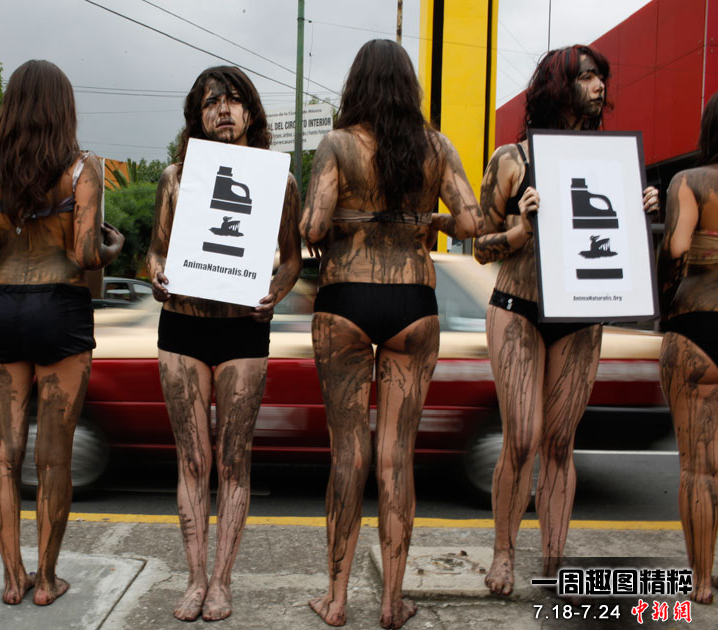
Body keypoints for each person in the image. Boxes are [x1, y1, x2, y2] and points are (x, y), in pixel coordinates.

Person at [300, 39, 482, 629]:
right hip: (412, 300)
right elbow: (471, 222)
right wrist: (427, 218)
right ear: (409, 87)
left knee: (347, 455)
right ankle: (391, 602)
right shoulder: (436, 146)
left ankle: (336, 600)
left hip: (345, 298)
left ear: (357, 85)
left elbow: (313, 225)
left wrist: (340, 217)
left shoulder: (337, 145)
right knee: (396, 457)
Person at [475, 45, 659, 596]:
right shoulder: (511, 159)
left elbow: (621, 248)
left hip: (580, 316)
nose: (600, 86)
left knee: (559, 443)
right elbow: (479, 246)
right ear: (558, 86)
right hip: (518, 308)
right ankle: (504, 552)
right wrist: (519, 228)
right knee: (521, 438)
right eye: (587, 76)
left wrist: (641, 210)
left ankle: (553, 563)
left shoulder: (610, 163)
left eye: (602, 76)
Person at [0, 60, 123, 606]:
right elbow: (85, 255)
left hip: (3, 309)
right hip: (61, 311)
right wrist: (113, 248)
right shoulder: (81, 169)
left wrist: (2, 238)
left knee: (2, 455)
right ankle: (47, 580)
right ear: (63, 108)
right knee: (53, 458)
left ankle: (13, 578)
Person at [147, 65, 302, 622]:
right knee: (193, 459)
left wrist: (276, 292)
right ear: (198, 115)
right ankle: (194, 578)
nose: (223, 110)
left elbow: (292, 258)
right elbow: (156, 250)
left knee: (234, 460)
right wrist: (156, 273)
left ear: (251, 112)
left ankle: (222, 582)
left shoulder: (278, 181)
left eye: (234, 100)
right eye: (212, 102)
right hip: (182, 326)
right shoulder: (176, 178)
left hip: (243, 328)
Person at [659, 90, 718, 604]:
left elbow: (677, 247)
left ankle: (700, 580)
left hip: (696, 325)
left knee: (698, 466)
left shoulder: (690, 181)